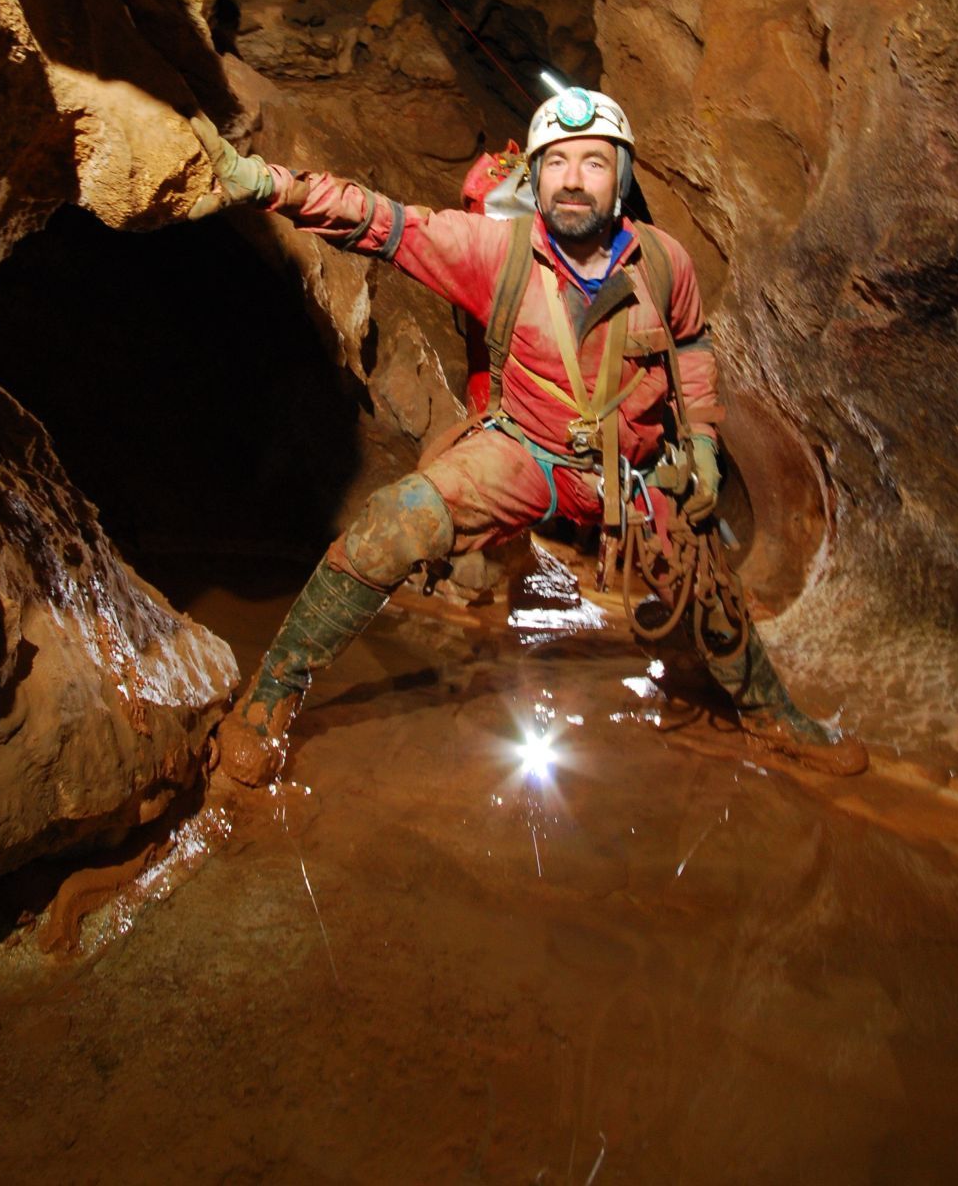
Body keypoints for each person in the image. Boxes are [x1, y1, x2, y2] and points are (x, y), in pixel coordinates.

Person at [209, 87, 868, 785]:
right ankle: (274, 694)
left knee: (707, 592)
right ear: (535, 178)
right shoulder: (497, 251)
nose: (573, 179)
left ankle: (772, 717)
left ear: (622, 175)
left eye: (592, 162)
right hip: (525, 452)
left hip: (633, 470)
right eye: (556, 164)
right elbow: (382, 222)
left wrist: (701, 437)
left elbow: (693, 346)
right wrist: (268, 185)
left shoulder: (665, 264)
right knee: (390, 525)